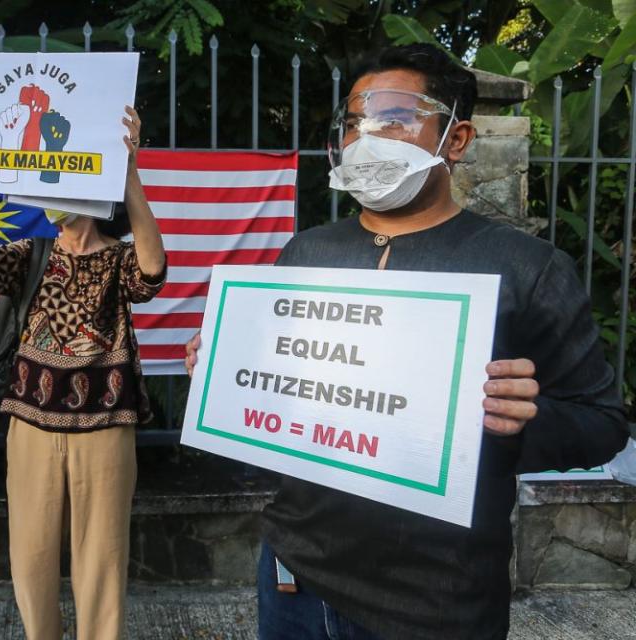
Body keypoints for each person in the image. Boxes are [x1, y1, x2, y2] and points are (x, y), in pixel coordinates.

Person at [184, 44, 629, 640]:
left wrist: (524, 421)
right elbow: (276, 392)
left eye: (395, 118)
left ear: (457, 139)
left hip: (436, 599)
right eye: (353, 122)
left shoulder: (528, 267)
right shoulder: (307, 253)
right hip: (294, 575)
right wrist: (221, 371)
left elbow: (602, 422)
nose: (368, 136)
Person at [0, 106, 166, 640]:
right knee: (30, 556)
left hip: (105, 428)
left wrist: (129, 174)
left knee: (102, 559)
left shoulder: (119, 260)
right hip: (31, 426)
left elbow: (152, 273)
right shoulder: (32, 253)